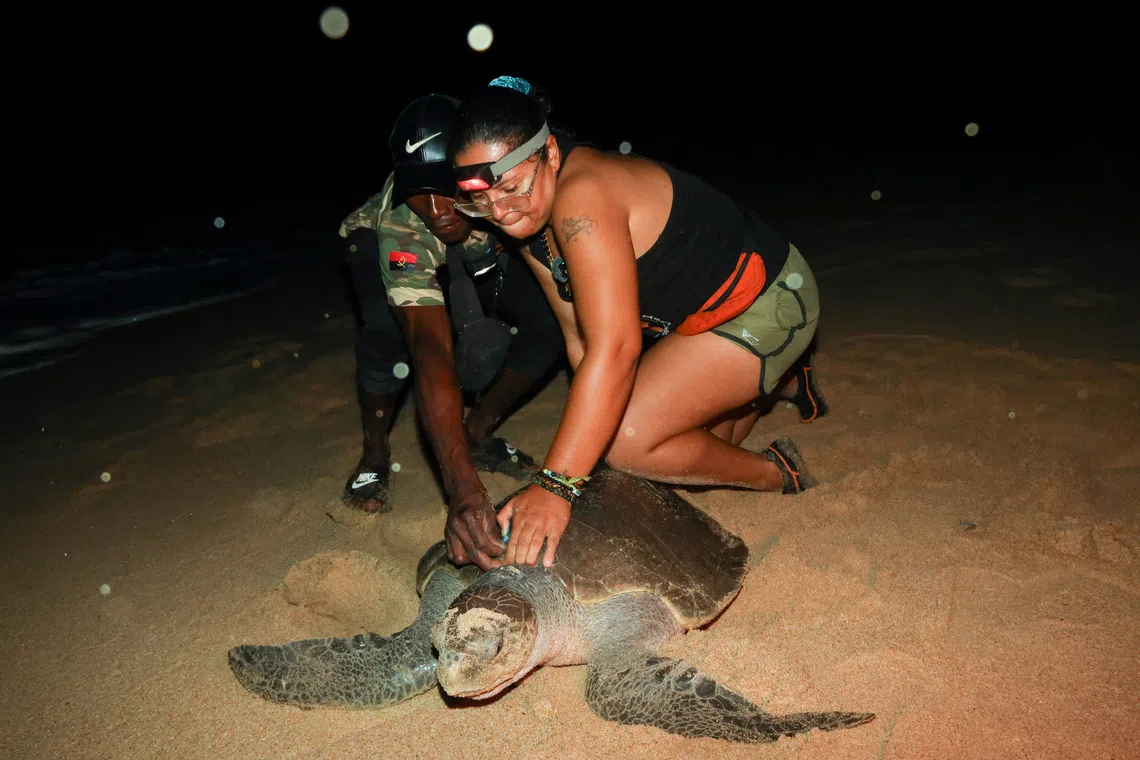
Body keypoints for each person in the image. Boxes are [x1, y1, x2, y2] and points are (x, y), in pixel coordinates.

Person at [445, 76, 829, 571]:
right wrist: (583, 460)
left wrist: (557, 483)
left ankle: (778, 472)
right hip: (691, 323)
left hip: (768, 301)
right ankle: (770, 385)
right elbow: (581, 339)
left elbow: (617, 350)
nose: (498, 211)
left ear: (553, 154)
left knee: (630, 440)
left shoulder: (583, 198)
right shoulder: (527, 220)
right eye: (479, 200)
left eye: (512, 187)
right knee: (667, 463)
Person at [338, 94, 565, 546]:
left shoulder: (508, 188)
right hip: (381, 243)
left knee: (548, 319)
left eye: (445, 189)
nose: (437, 211)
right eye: (418, 194)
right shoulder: (406, 221)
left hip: (483, 240)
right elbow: (430, 348)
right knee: (389, 337)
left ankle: (477, 432)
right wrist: (460, 485)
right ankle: (375, 455)